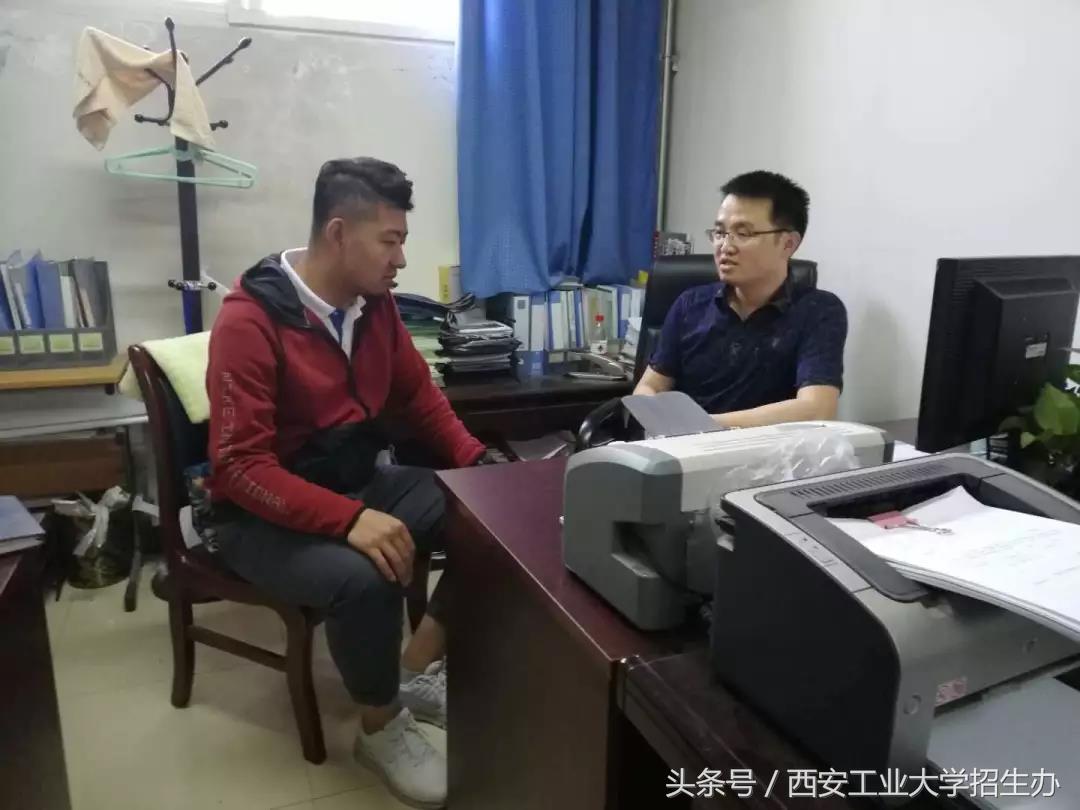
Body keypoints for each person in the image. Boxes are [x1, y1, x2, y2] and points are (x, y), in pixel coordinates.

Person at [206, 157, 487, 809]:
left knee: (484, 518)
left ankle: (411, 669)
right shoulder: (250, 321)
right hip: (257, 516)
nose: (401, 259)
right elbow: (239, 467)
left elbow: (419, 398)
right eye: (390, 241)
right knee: (365, 577)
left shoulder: (374, 307)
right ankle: (380, 728)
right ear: (338, 233)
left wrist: (480, 467)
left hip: (355, 480)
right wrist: (350, 520)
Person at [634, 170, 847, 428]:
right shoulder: (690, 305)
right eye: (720, 232)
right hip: (681, 445)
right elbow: (650, 385)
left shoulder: (818, 311)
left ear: (788, 244)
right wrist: (655, 414)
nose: (725, 247)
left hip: (764, 450)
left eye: (743, 234)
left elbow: (817, 409)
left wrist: (701, 426)